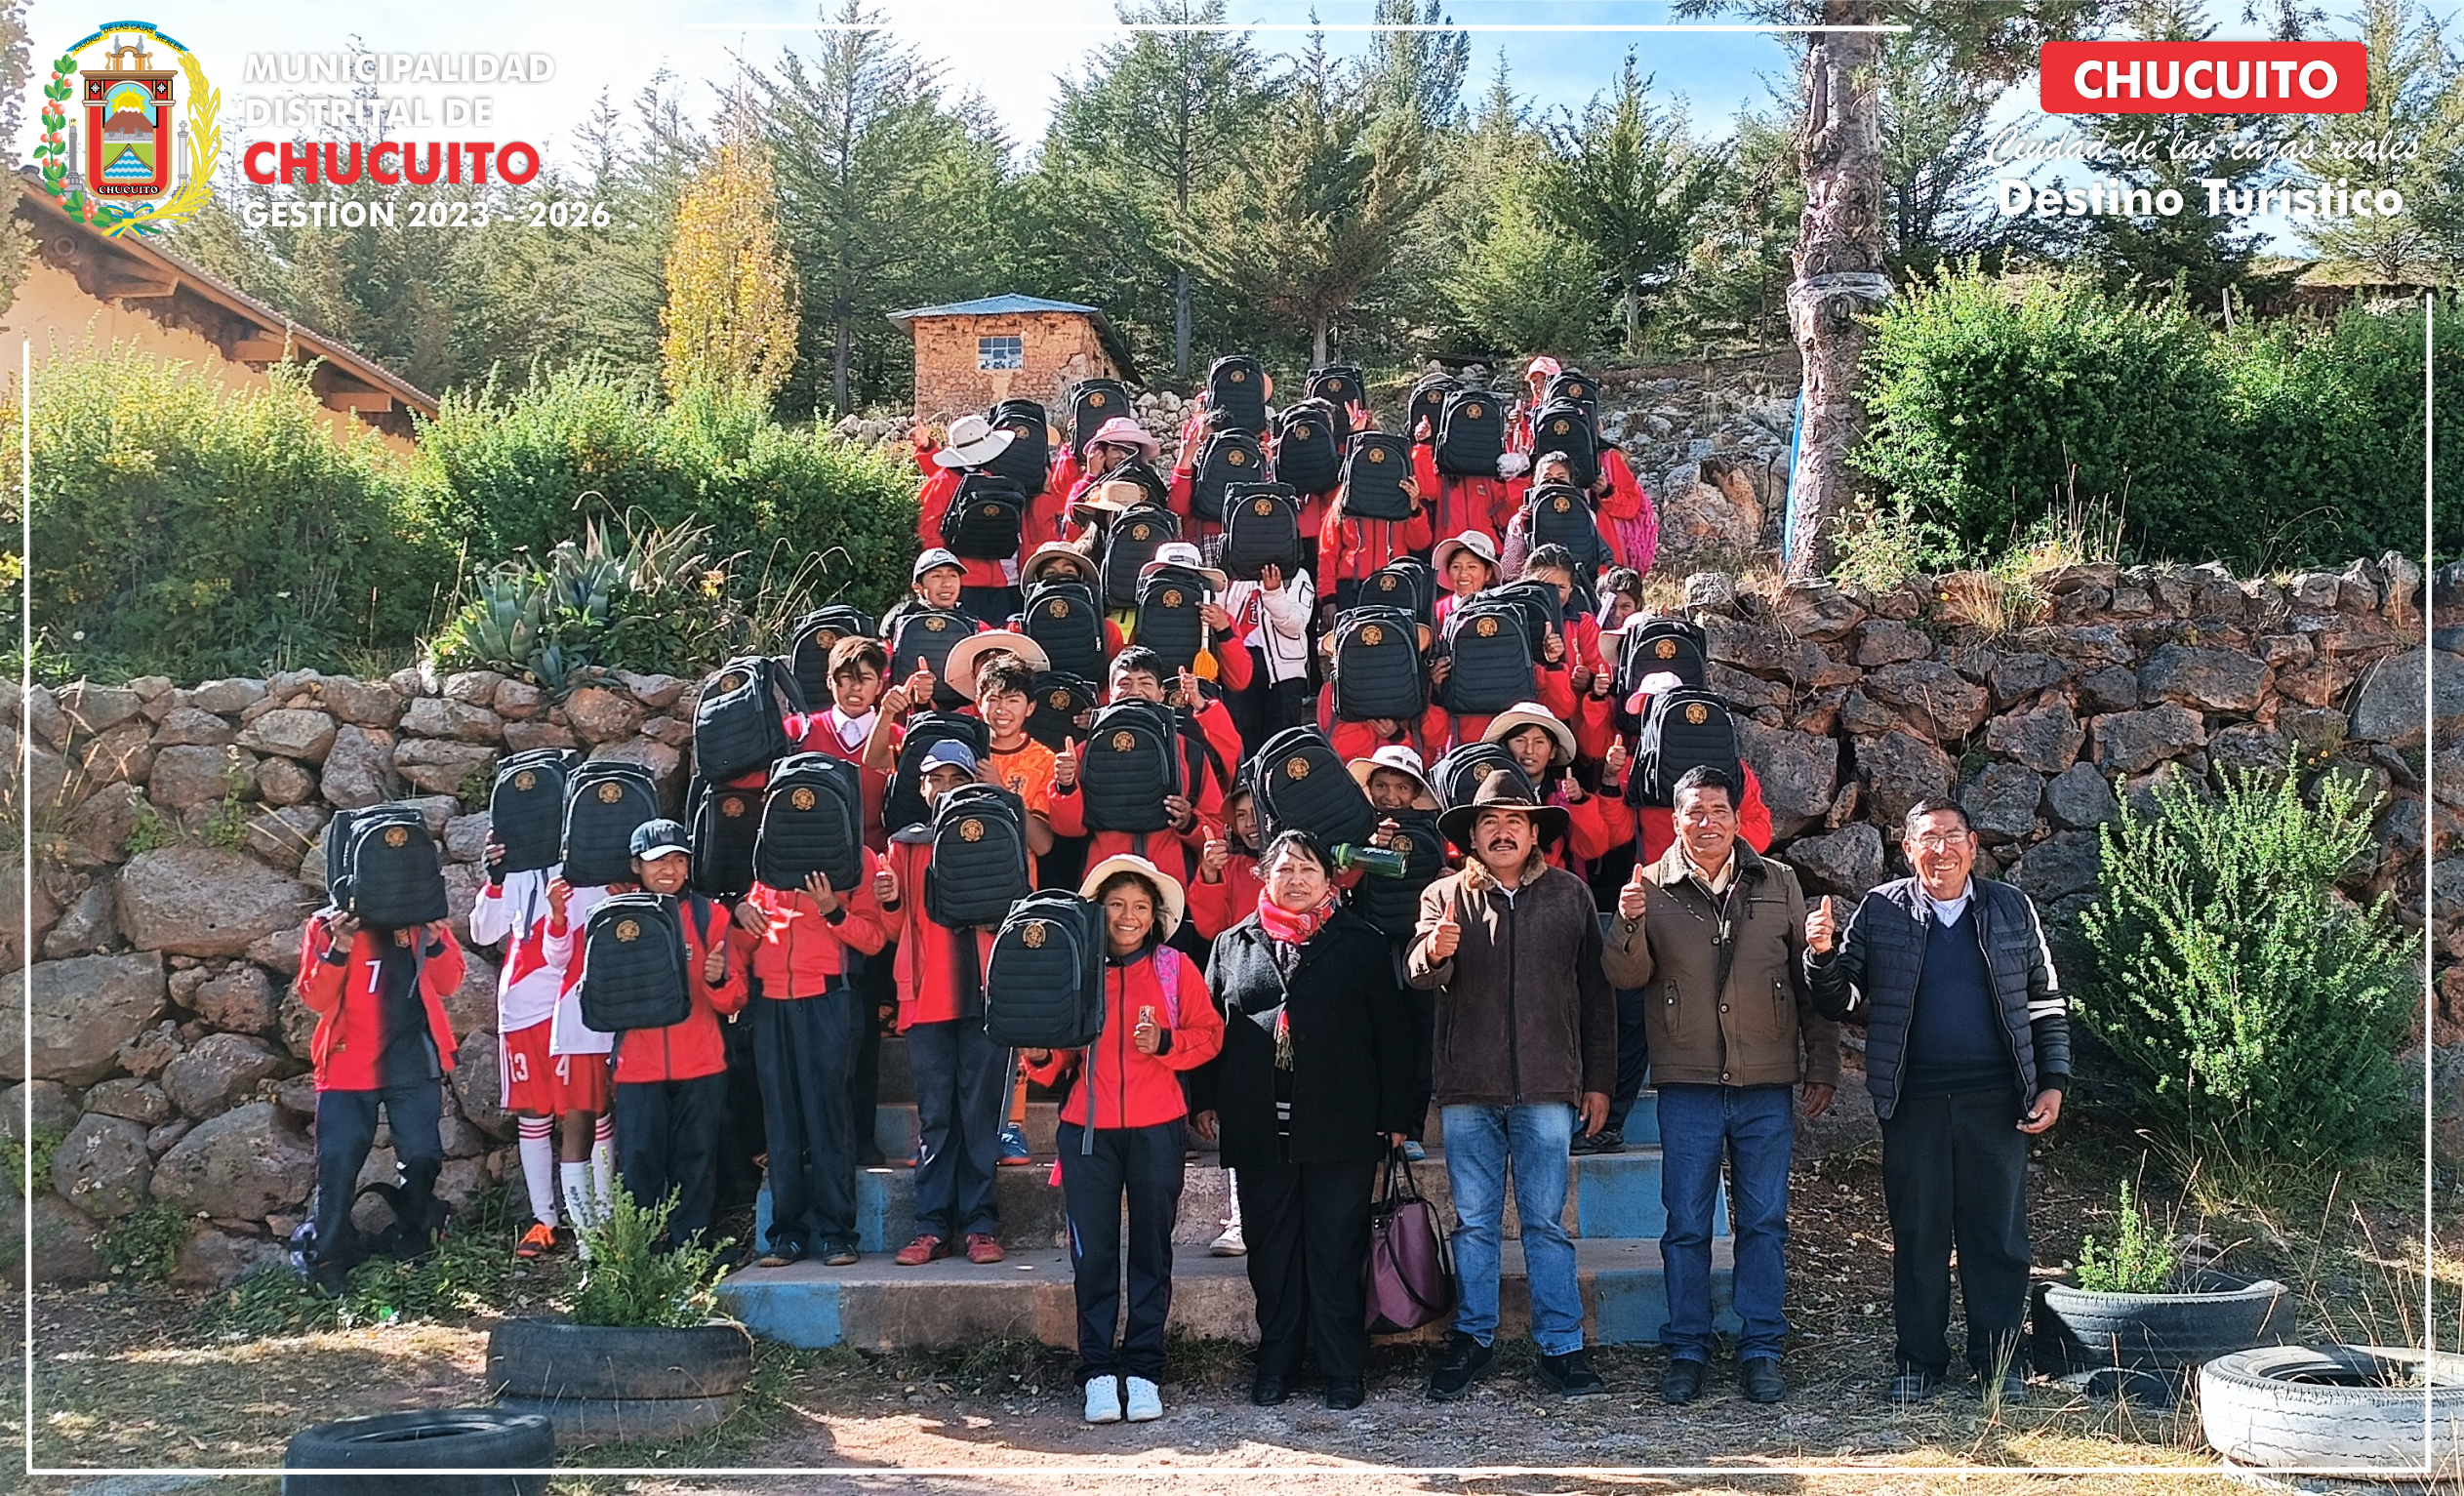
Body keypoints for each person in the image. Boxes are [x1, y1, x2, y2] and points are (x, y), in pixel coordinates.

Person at [1805, 800, 2071, 1406]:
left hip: (1997, 1100)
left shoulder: (2010, 908)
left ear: (1973, 845)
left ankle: (1998, 1361)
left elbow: (2044, 1002)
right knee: (1919, 1235)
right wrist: (1820, 957)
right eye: (1928, 838)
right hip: (1913, 1101)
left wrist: (2052, 1080)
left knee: (1996, 1237)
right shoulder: (1880, 909)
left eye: (1953, 837)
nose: (1941, 849)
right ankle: (1919, 1361)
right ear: (1908, 849)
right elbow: (1841, 1000)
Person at [1599, 766, 1839, 1405]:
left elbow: (1808, 978)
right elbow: (1624, 979)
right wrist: (1624, 924)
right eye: (1693, 811)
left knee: (1763, 1220)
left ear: (1736, 817)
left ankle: (1760, 1344)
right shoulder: (1648, 885)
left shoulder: (1778, 881)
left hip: (1764, 1083)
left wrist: (1822, 1062)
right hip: (1688, 1083)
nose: (1707, 821)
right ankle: (1687, 1345)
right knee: (1684, 1223)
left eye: (1718, 809)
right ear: (1673, 821)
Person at [1406, 774, 1616, 1401]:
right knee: (1473, 1223)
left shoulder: (1571, 895)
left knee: (1546, 1223)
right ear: (1472, 837)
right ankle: (1472, 1338)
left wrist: (1599, 1081)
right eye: (1489, 822)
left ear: (1533, 835)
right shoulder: (1443, 895)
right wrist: (1436, 953)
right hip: (1469, 1088)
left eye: (1515, 822)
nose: (1502, 831)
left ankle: (1561, 1347)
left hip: (1550, 1088)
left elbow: (1596, 999)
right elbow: (1419, 972)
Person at [1189, 831, 1416, 1411]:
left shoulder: (1361, 942)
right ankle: (1277, 1363)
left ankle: (1344, 1368)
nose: (1295, 880)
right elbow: (1211, 1028)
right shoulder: (1232, 944)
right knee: (1271, 1251)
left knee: (1337, 1248)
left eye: (1308, 869)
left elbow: (1394, 1034)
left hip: (1342, 1125)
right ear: (1264, 877)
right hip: (1259, 1125)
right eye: (1284, 869)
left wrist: (1397, 1115)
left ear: (1329, 879)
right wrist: (1205, 1098)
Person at [1023, 857, 1225, 1426]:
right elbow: (1056, 1056)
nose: (1128, 916)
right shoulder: (1076, 968)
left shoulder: (1174, 968)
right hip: (1087, 1131)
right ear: (1098, 911)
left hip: (1158, 1126)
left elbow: (1210, 1036)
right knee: (1093, 1255)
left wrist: (1165, 1042)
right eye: (1116, 905)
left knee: (1152, 1252)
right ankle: (1095, 1372)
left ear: (1155, 915)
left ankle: (1143, 1369)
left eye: (1140, 906)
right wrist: (1040, 1056)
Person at [879, 739, 1021, 1266]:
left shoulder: (998, 835)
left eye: (954, 780)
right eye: (933, 780)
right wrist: (889, 897)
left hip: (985, 997)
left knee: (982, 1116)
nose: (942, 790)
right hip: (926, 998)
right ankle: (931, 1226)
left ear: (972, 784)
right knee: (937, 1118)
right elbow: (894, 928)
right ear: (920, 786)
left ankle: (981, 1225)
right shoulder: (905, 847)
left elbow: (1020, 912)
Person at [733, 809, 890, 1268]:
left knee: (829, 1115)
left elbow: (875, 939)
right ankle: (787, 1233)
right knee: (780, 1119)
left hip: (828, 1000)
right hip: (772, 1002)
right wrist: (739, 913)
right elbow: (745, 939)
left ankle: (837, 1233)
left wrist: (832, 911)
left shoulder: (857, 859)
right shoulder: (770, 859)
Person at [585, 821, 749, 1249]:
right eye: (658, 860)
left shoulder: (708, 914)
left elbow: (735, 998)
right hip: (638, 1067)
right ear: (637, 864)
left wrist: (717, 980)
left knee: (695, 1161)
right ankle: (640, 1256)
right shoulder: (615, 917)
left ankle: (688, 1253)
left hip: (702, 1062)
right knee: (639, 1163)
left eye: (678, 859)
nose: (669, 870)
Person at [295, 903, 467, 1295]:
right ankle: (329, 1257)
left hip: (410, 1061)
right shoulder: (325, 924)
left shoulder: (420, 915)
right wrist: (339, 947)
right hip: (345, 1063)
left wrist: (436, 940)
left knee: (423, 1154)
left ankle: (412, 1238)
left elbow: (450, 983)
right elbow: (316, 999)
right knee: (337, 1162)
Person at [471, 841, 569, 1259]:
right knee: (534, 1113)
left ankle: (597, 1220)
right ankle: (544, 1220)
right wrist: (495, 877)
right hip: (519, 1005)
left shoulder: (577, 852)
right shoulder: (510, 866)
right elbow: (483, 931)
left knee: (587, 1109)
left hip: (569, 1000)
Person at [911, 414, 1026, 624]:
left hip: (982, 580)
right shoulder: (990, 479)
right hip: (986, 580)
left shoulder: (944, 481)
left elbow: (929, 532)